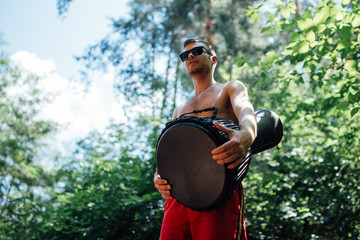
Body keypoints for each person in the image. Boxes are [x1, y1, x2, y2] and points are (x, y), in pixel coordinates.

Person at [154, 38, 257, 240]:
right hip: (177, 197)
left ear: (213, 59)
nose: (190, 56)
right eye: (185, 55)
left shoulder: (229, 88)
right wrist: (158, 176)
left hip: (218, 188)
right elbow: (172, 151)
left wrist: (247, 134)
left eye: (197, 51)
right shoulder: (179, 110)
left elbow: (246, 110)